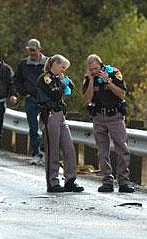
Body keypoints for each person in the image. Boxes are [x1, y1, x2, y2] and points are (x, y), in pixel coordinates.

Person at [82, 54, 134, 193]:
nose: (93, 71)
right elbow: (87, 98)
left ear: (102, 65)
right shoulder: (89, 78)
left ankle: (123, 181)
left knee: (122, 149)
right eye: (91, 69)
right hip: (98, 116)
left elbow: (122, 94)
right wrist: (92, 81)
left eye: (96, 68)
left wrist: (108, 82)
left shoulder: (114, 73)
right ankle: (107, 181)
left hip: (115, 116)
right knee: (102, 151)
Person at [36, 54, 84, 193]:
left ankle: (70, 180)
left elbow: (71, 87)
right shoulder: (45, 78)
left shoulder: (58, 79)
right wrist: (62, 84)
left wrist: (66, 82)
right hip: (50, 115)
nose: (63, 70)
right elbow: (55, 94)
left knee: (69, 149)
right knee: (53, 151)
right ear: (54, 64)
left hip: (60, 115)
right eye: (62, 67)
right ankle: (53, 182)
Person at [14, 39, 47, 165]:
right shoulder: (23, 64)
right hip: (31, 99)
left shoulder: (47, 62)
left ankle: (44, 152)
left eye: (34, 50)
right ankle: (35, 153)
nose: (32, 52)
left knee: (46, 127)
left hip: (44, 99)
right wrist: (23, 92)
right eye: (30, 50)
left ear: (39, 49)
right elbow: (17, 80)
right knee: (33, 128)